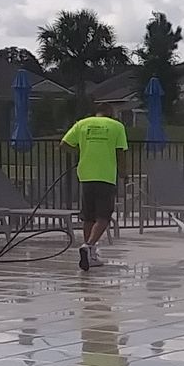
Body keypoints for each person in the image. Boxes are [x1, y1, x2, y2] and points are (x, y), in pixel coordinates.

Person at [60, 104, 128, 268]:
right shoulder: (117, 126)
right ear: (110, 113)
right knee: (103, 216)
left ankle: (90, 255)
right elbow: (121, 152)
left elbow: (64, 145)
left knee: (89, 216)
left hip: (86, 175)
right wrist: (123, 173)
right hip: (105, 176)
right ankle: (88, 245)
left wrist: (82, 152)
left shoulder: (82, 124)